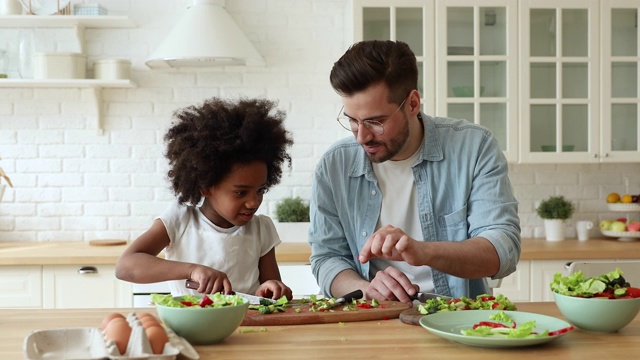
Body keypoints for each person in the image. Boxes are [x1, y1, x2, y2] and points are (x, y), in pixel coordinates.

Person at [309, 40, 521, 303]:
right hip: (368, 318)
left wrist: (423, 251)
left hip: (454, 318)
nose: (362, 136)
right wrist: (365, 290)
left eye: (375, 122)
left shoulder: (474, 147)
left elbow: (504, 248)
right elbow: (326, 257)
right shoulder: (334, 165)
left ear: (412, 103)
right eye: (353, 120)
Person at [116, 97, 294, 300]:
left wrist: (273, 288)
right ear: (206, 187)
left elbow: (272, 295)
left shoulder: (261, 228)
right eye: (240, 192)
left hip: (250, 325)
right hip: (191, 326)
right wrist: (192, 270)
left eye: (260, 190)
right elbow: (126, 266)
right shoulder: (180, 220)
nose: (254, 202)